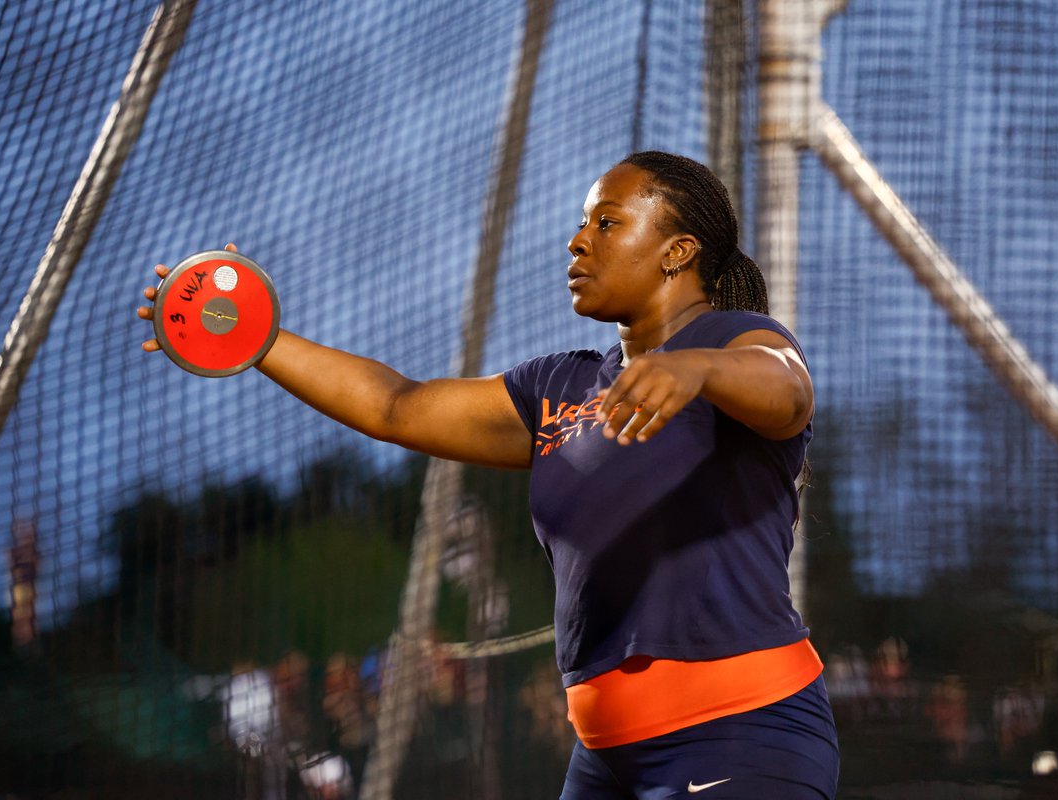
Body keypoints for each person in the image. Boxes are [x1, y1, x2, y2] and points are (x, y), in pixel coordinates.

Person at [139, 151, 838, 799]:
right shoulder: (560, 386)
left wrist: (700, 367)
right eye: (579, 223)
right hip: (606, 759)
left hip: (741, 736)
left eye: (607, 222)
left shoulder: (736, 340)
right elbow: (397, 407)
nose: (577, 241)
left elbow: (787, 390)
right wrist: (257, 338)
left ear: (677, 251)